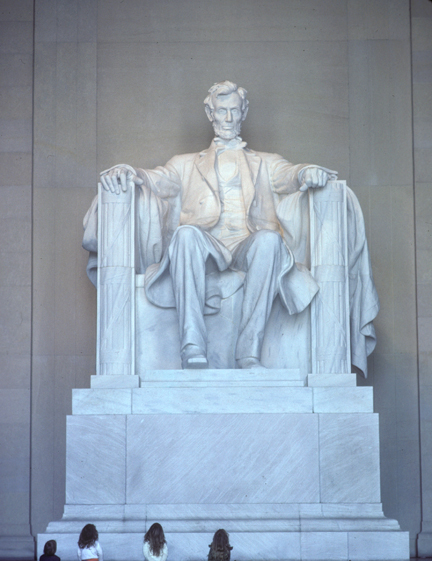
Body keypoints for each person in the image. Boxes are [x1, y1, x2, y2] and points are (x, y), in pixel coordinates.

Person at [83, 80, 379, 375]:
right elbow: (157, 179)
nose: (227, 118)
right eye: (221, 111)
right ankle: (192, 347)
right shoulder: (185, 164)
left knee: (269, 241)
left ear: (244, 112)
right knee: (185, 234)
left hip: (246, 246)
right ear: (210, 113)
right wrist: (129, 171)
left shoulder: (265, 162)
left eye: (234, 111)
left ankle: (249, 353)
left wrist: (306, 171)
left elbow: (289, 176)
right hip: (205, 247)